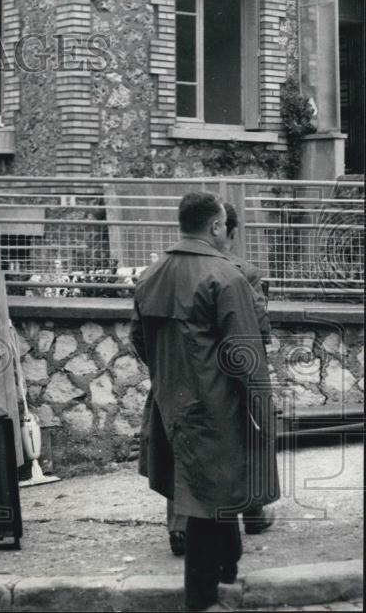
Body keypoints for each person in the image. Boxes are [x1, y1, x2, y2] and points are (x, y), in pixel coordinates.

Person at [132, 192, 279, 612]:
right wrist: (262, 412)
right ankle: (202, 598)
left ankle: (227, 569)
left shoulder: (151, 274)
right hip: (219, 404)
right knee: (207, 497)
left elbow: (139, 339)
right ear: (216, 226)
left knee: (206, 490)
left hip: (171, 399)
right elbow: (246, 356)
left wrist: (170, 373)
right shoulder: (226, 277)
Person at [164, 202, 278, 555]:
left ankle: (180, 527)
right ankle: (253, 515)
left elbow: (141, 336)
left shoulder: (161, 270)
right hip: (226, 376)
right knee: (246, 439)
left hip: (176, 377)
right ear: (224, 230)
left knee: (180, 448)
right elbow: (255, 330)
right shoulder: (240, 272)